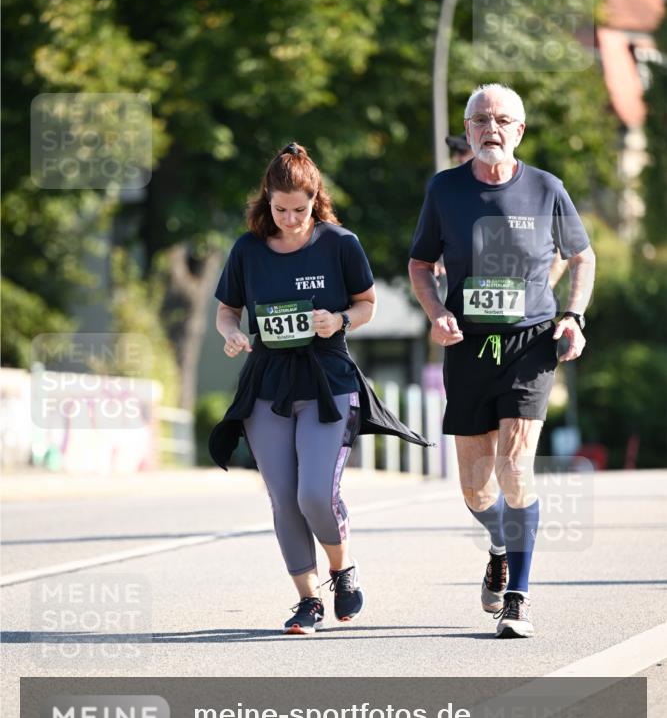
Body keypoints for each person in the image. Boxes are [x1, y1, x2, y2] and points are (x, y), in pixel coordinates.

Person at [210, 142, 429, 634]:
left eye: (300, 210)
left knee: (314, 494)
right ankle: (307, 601)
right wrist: (232, 334)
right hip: (267, 384)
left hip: (328, 381)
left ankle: (341, 569)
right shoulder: (247, 249)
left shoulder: (339, 244)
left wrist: (340, 319)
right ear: (266, 200)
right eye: (280, 209)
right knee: (283, 498)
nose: (290, 219)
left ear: (316, 201)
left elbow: (367, 304)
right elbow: (227, 311)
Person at [409, 84, 595, 638]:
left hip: (530, 345)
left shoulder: (546, 189)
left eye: (502, 119)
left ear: (519, 130)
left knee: (516, 469)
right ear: (467, 131)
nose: (491, 127)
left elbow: (580, 255)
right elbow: (420, 264)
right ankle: (499, 543)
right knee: (475, 487)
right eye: (480, 119)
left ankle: (519, 596)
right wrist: (437, 311)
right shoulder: (444, 190)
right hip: (467, 346)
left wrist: (572, 316)